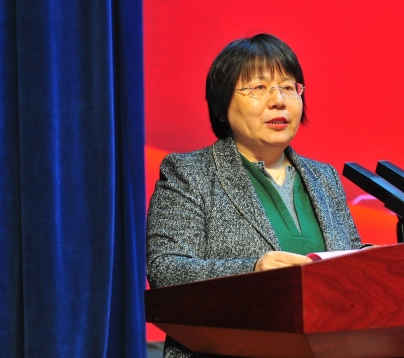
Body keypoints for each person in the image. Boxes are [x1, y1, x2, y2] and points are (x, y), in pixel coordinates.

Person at [146, 33, 365, 357]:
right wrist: (252, 271)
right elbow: (166, 271)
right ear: (222, 106)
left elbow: (349, 260)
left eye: (288, 87)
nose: (278, 100)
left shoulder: (324, 177)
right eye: (259, 87)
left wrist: (373, 262)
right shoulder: (190, 173)